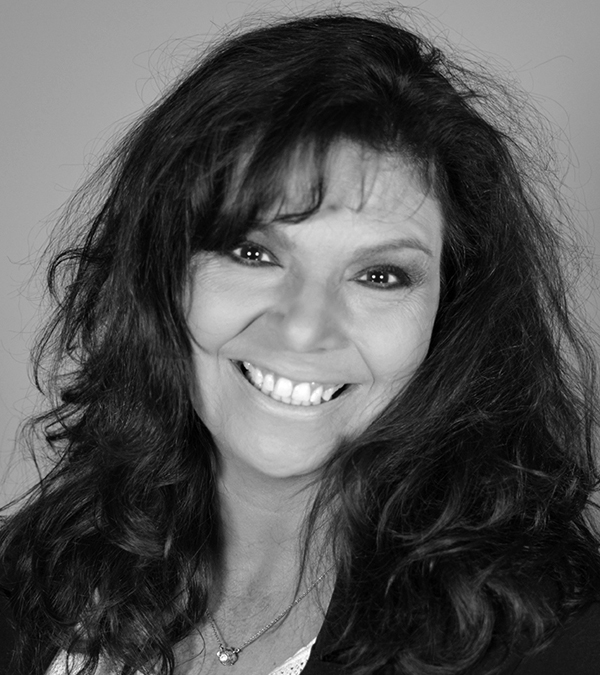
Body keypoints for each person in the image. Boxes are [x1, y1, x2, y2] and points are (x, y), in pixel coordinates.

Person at [1, 11, 599, 675]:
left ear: (449, 312)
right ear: (164, 272)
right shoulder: (33, 572)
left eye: (380, 274)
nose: (306, 326)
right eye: (253, 251)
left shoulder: (555, 641)